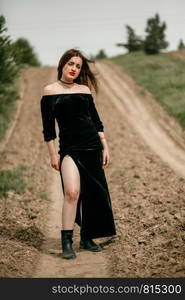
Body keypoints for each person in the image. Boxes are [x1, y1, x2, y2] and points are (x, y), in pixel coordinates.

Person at [40, 48, 116, 259]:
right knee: (72, 192)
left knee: (91, 194)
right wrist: (53, 155)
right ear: (62, 64)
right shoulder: (49, 91)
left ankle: (87, 237)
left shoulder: (84, 90)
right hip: (69, 150)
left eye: (78, 66)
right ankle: (66, 242)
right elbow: (48, 129)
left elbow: (96, 121)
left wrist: (105, 146)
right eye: (70, 64)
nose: (74, 69)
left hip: (92, 146)